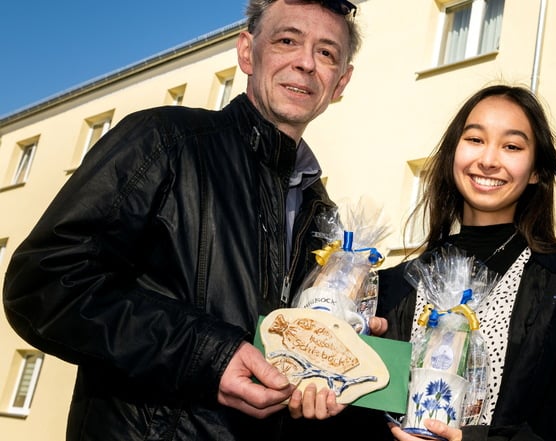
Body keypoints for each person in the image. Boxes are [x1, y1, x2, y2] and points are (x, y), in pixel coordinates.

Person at [2, 1, 384, 440]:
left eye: (327, 53)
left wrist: (339, 343)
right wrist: (209, 355)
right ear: (247, 52)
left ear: (341, 83)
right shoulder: (161, 142)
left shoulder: (323, 215)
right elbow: (43, 282)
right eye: (287, 41)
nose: (305, 62)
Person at [376, 84, 556, 441]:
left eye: (512, 146)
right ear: (452, 154)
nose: (488, 159)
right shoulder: (395, 286)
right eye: (475, 139)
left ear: (537, 171)